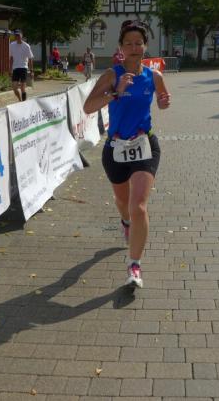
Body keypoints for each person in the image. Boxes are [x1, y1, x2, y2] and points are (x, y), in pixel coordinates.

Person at [83, 20, 171, 289]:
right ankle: (125, 222)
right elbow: (88, 107)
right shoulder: (111, 75)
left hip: (145, 145)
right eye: (129, 43)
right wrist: (115, 92)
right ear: (120, 47)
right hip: (116, 148)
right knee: (123, 203)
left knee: (138, 205)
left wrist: (164, 102)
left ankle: (135, 265)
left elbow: (163, 102)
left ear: (145, 46)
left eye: (138, 43)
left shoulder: (154, 76)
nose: (134, 48)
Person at [10, 29, 35, 101]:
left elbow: (30, 58)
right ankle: (20, 100)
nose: (17, 36)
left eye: (18, 35)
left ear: (22, 35)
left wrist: (31, 71)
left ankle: (23, 102)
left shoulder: (26, 46)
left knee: (22, 88)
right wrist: (10, 69)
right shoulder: (12, 45)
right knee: (14, 88)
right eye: (16, 35)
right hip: (15, 68)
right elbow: (11, 57)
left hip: (23, 68)